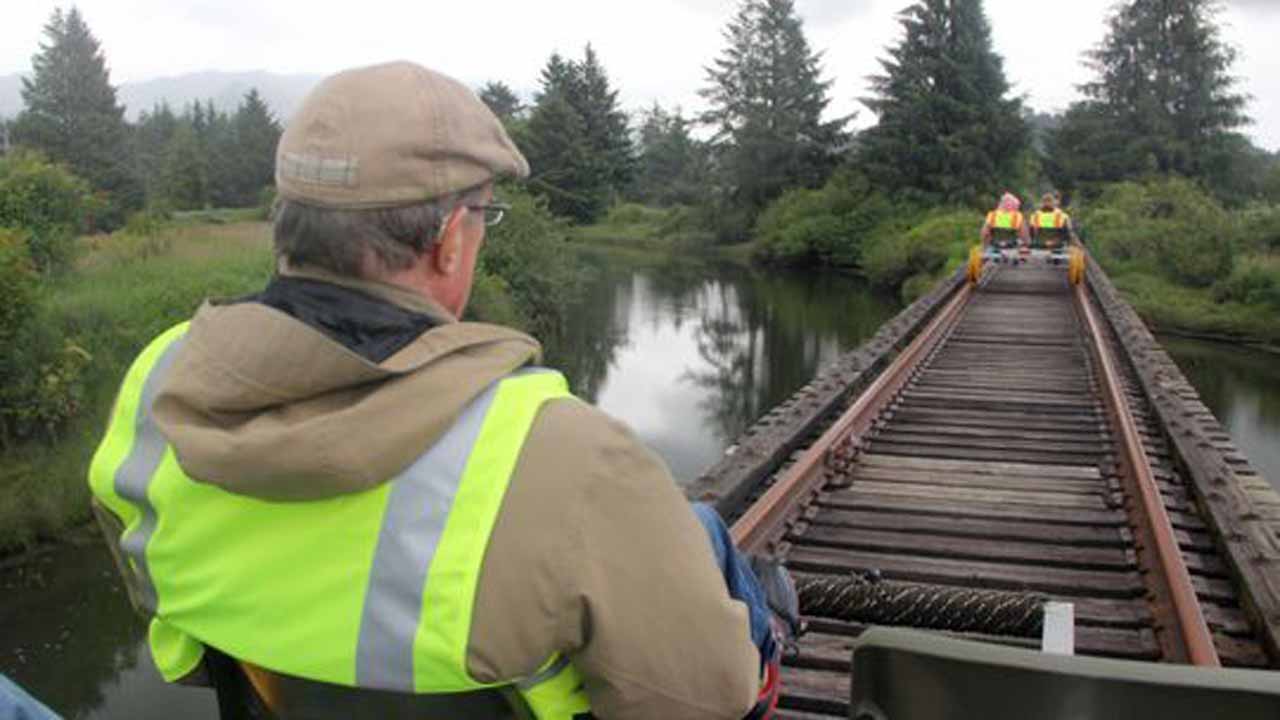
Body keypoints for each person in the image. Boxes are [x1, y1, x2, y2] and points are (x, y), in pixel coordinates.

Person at [87, 62, 789, 719]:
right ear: (451, 240)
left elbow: (175, 627)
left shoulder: (162, 380)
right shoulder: (569, 456)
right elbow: (706, 704)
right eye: (484, 215)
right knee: (704, 538)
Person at [980, 192, 1030, 264]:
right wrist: (1026, 244)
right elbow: (1024, 235)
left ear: (1001, 203)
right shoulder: (1018, 216)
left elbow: (984, 233)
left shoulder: (992, 215)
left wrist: (984, 246)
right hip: (1012, 246)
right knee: (1023, 251)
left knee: (987, 254)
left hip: (995, 245)